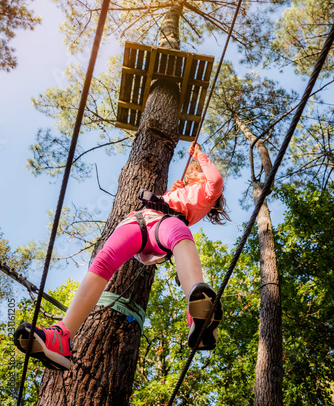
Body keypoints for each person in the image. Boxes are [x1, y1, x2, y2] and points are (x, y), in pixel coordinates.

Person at [14, 142, 228, 371]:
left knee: (180, 235)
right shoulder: (183, 190)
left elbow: (215, 179)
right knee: (102, 262)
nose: (189, 175)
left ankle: (201, 311)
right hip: (138, 220)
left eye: (193, 172)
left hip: (164, 226)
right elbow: (167, 199)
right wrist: (173, 191)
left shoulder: (208, 193)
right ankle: (62, 336)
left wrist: (199, 155)